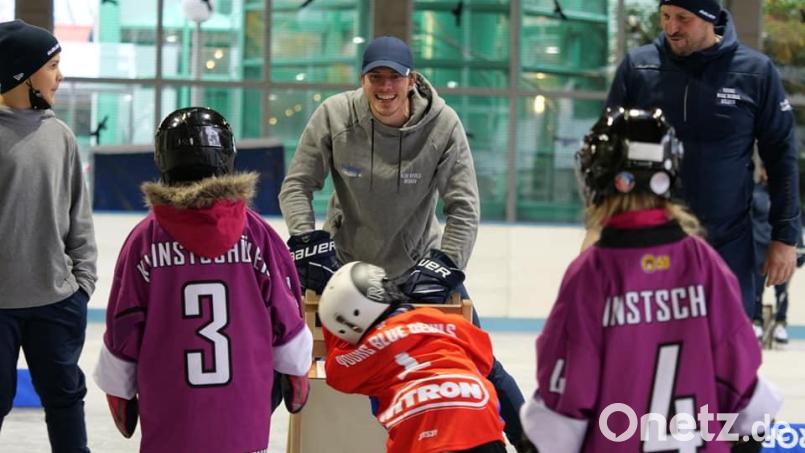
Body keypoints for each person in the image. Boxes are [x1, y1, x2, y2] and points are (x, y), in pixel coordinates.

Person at [279, 35, 526, 447]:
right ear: (363, 80)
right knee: (286, 354)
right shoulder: (334, 115)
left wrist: (445, 263)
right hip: (346, 275)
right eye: (375, 77)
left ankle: (533, 442)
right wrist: (307, 238)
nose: (385, 87)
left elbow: (464, 207)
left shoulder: (443, 124)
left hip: (417, 270)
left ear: (411, 80)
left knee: (480, 362)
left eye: (394, 77)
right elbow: (296, 186)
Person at [519, 107, 781, 452]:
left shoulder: (591, 274)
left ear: (598, 177)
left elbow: (564, 405)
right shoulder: (704, 263)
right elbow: (745, 388)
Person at [92, 107, 312, 453]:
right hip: (244, 417)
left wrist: (119, 393)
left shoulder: (145, 240)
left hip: (170, 418)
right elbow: (288, 318)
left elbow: (123, 326)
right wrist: (296, 377)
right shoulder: (259, 235)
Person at [605, 0, 800, 318]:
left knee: (727, 356)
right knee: (649, 356)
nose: (671, 28)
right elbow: (608, 154)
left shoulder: (754, 72)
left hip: (727, 245)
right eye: (665, 16)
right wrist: (603, 228)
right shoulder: (639, 68)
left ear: (711, 19)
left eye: (683, 18)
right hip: (648, 244)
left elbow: (782, 158)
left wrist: (785, 238)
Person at [0, 20, 97, 453]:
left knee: (64, 399)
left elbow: (79, 219)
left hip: (56, 304)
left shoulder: (61, 136)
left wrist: (82, 288)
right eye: (53, 66)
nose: (59, 76)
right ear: (21, 74)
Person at [318, 261, 507, 453]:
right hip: (480, 419)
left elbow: (335, 374)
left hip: (422, 433)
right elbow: (484, 359)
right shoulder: (445, 321)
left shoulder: (364, 353)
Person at [750, 164, 802, 344]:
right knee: (756, 288)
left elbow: (794, 220)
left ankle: (780, 323)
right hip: (758, 247)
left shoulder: (786, 196)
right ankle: (755, 321)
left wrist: (799, 249)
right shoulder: (754, 194)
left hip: (780, 248)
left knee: (782, 289)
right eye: (766, 170)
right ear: (762, 172)